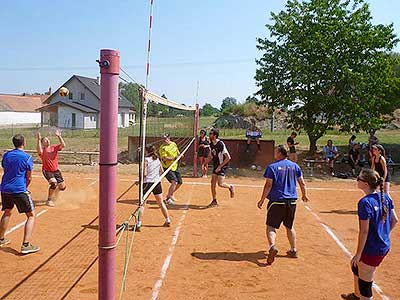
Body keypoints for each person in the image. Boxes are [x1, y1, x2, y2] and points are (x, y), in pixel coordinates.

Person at [341, 169, 398, 300]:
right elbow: (395, 220)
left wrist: (359, 253)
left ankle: (361, 296)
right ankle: (356, 296)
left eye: (359, 179)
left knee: (365, 286)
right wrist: (383, 234)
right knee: (355, 265)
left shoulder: (365, 202)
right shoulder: (385, 198)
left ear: (366, 184)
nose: (357, 180)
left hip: (371, 249)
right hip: (381, 245)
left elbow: (364, 231)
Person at [257, 145, 309, 265]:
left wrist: (262, 199)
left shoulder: (272, 167)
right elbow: (302, 182)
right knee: (289, 226)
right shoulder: (295, 166)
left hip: (276, 201)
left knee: (271, 226)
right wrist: (304, 195)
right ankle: (293, 249)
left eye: (276, 151)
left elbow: (268, 185)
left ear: (280, 153)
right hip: (291, 201)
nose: (274, 153)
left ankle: (272, 247)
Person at [0, 134, 40, 254]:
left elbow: (5, 169)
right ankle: (26, 245)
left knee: (7, 211)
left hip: (5, 188)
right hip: (18, 189)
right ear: (24, 142)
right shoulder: (27, 157)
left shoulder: (6, 155)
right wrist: (24, 188)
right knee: (31, 215)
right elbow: (29, 177)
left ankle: (1, 239)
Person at [134, 145, 171, 231]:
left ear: (147, 151)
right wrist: (156, 177)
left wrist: (140, 181)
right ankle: (167, 219)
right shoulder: (157, 159)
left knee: (142, 204)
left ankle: (138, 223)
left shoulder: (146, 160)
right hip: (156, 183)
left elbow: (145, 174)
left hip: (147, 183)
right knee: (161, 203)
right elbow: (162, 171)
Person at [36, 130, 66, 207]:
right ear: (42, 143)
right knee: (53, 183)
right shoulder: (42, 151)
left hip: (56, 170)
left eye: (47, 139)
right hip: (47, 170)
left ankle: (55, 194)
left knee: (62, 187)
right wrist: (39, 139)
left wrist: (59, 136)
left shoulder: (54, 148)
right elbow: (39, 150)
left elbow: (63, 145)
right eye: (45, 140)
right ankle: (49, 200)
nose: (47, 140)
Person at [206, 128, 235, 207]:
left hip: (223, 165)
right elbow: (211, 155)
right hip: (216, 165)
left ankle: (230, 187)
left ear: (215, 136)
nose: (209, 135)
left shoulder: (220, 144)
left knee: (220, 184)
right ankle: (214, 200)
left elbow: (228, 157)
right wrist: (206, 163)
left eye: (211, 134)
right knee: (212, 183)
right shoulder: (211, 143)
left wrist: (220, 166)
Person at [159, 133, 182, 205]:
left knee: (179, 182)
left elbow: (177, 152)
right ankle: (168, 198)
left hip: (175, 166)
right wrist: (174, 158)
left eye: (165, 138)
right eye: (163, 138)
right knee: (174, 182)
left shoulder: (173, 144)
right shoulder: (162, 148)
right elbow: (164, 158)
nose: (164, 140)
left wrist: (180, 155)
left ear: (169, 138)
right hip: (167, 167)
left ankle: (170, 194)